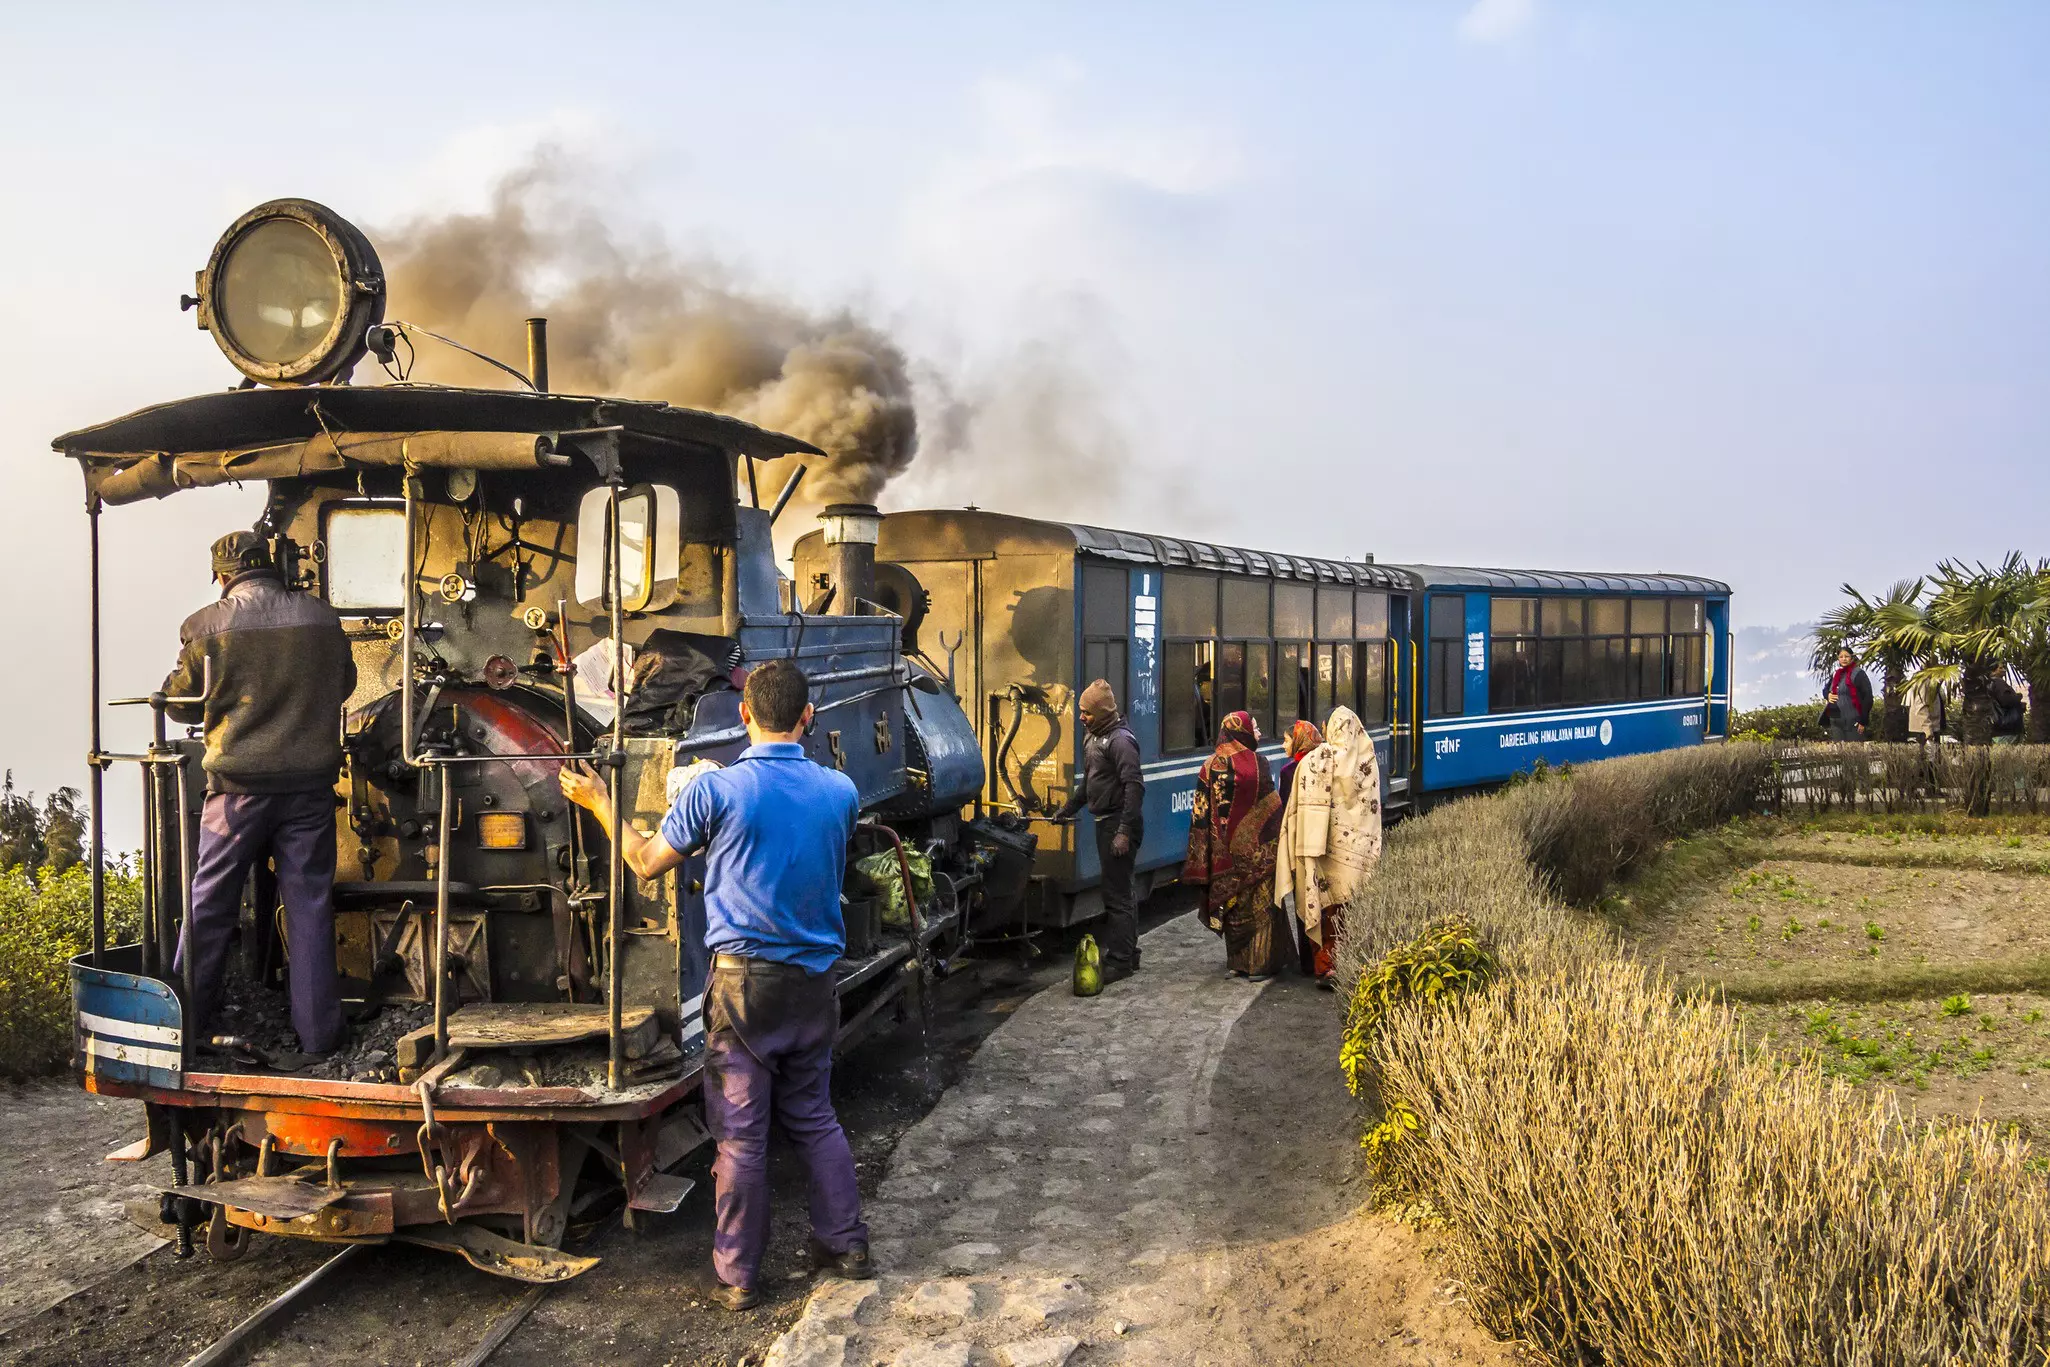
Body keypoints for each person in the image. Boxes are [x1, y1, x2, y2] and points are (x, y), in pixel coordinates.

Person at [558, 658, 869, 1311]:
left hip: (743, 990)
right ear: (808, 718)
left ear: (744, 716)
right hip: (815, 982)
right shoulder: (841, 791)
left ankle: (739, 1276)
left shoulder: (716, 791)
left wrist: (602, 803)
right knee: (814, 1115)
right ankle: (845, 1247)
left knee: (742, 1135)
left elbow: (645, 863)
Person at [167, 532, 355, 1057]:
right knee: (310, 906)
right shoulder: (322, 618)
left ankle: (181, 1028)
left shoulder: (206, 625)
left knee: (209, 905)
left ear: (223, 576)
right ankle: (320, 1038)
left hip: (236, 792)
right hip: (309, 789)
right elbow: (345, 681)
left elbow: (181, 703)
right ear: (271, 566)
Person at [1275, 707, 1384, 988]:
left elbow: (1297, 811)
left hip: (1320, 852)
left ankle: (1324, 966)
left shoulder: (1316, 761)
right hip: (1355, 857)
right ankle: (1348, 962)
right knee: (1346, 909)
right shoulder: (1367, 762)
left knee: (1321, 909)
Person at [1054, 679, 1146, 986]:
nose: (1081, 717)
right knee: (1121, 890)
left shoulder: (1121, 741)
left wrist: (1123, 831)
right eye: (1081, 711)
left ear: (1103, 712)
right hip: (1105, 822)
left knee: (1117, 895)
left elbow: (1135, 787)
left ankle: (1120, 961)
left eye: (1087, 713)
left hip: (1117, 823)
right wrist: (1068, 809)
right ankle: (1128, 953)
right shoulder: (1094, 737)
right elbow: (1090, 783)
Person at [1182, 711, 1286, 980]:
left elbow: (1200, 813)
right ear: (1242, 732)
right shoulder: (1257, 762)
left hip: (1222, 855)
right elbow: (1272, 806)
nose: (1259, 732)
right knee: (1260, 909)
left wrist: (1202, 855)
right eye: (1254, 727)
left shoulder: (1209, 765)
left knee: (1233, 907)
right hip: (1257, 852)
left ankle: (1236, 964)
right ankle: (1259, 965)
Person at [1276, 719, 1323, 975]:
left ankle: (1307, 962)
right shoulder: (1325, 764)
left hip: (1299, 845)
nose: (1284, 745)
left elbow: (1286, 813)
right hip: (1322, 844)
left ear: (1297, 741)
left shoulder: (1289, 771)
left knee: (1303, 903)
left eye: (1286, 739)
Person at [1822, 648, 1873, 741]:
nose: (1843, 659)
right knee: (1838, 752)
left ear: (1852, 658)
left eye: (1846, 656)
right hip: (1835, 719)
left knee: (1853, 751)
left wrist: (1863, 721)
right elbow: (1825, 690)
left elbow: (1868, 697)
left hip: (1853, 720)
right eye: (1841, 657)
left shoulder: (1858, 673)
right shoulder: (1836, 673)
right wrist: (1828, 695)